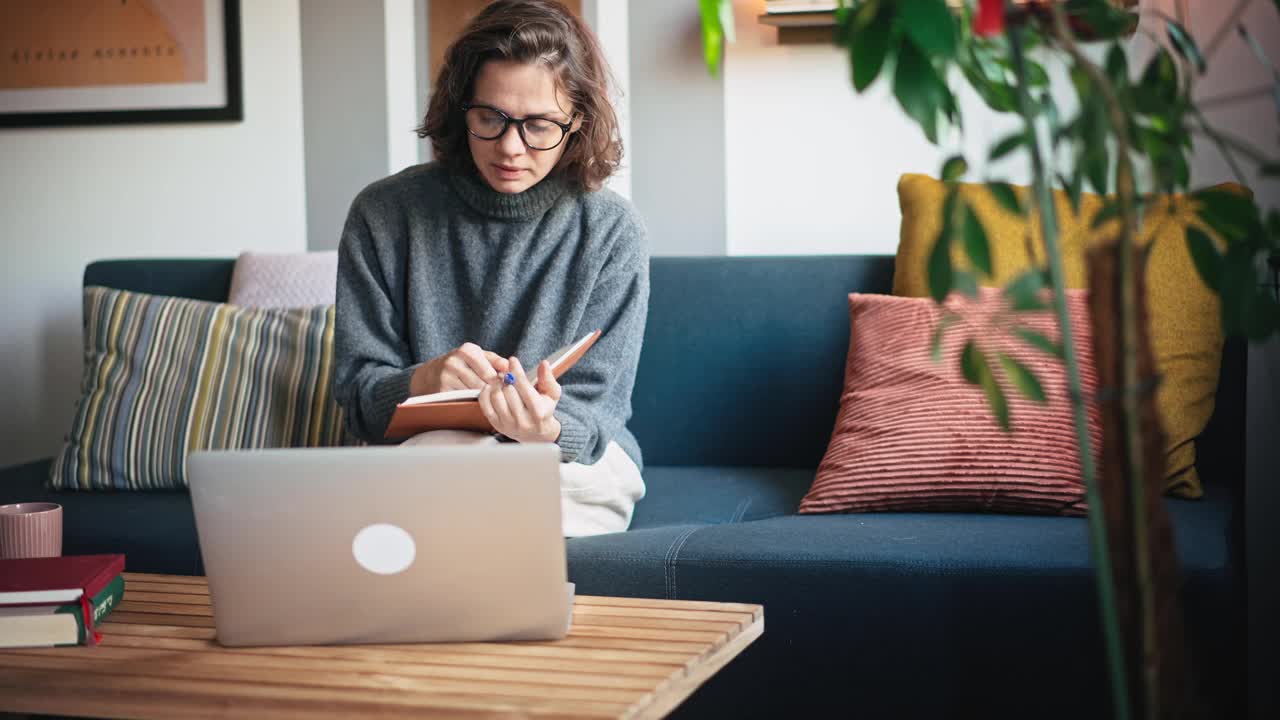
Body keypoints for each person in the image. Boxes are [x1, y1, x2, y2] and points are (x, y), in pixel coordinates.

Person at [332, 0, 648, 537]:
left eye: (540, 125)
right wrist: (424, 379)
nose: (509, 147)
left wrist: (546, 428)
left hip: (569, 465)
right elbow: (360, 402)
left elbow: (596, 420)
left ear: (578, 123)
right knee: (447, 468)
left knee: (459, 501)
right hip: (437, 454)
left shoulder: (612, 229)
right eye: (490, 118)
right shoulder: (384, 214)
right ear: (461, 109)